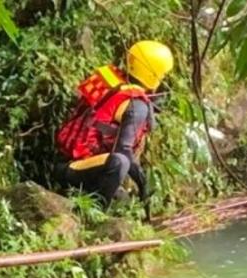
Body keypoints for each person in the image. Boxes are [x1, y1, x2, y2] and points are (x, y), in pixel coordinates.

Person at [54, 40, 174, 216]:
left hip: (65, 160)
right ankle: (93, 215)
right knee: (120, 162)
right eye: (162, 74)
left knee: (123, 198)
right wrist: (142, 182)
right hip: (73, 169)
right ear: (152, 74)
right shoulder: (137, 105)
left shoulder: (112, 84)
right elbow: (123, 150)